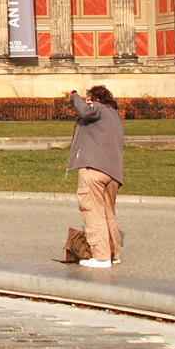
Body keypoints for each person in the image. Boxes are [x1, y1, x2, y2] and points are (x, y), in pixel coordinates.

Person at [67, 85, 124, 268]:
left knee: (93, 212)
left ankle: (101, 256)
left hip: (94, 168)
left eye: (89, 98)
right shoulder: (114, 115)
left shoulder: (97, 109)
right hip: (113, 172)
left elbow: (84, 110)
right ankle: (114, 253)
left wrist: (74, 95)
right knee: (109, 214)